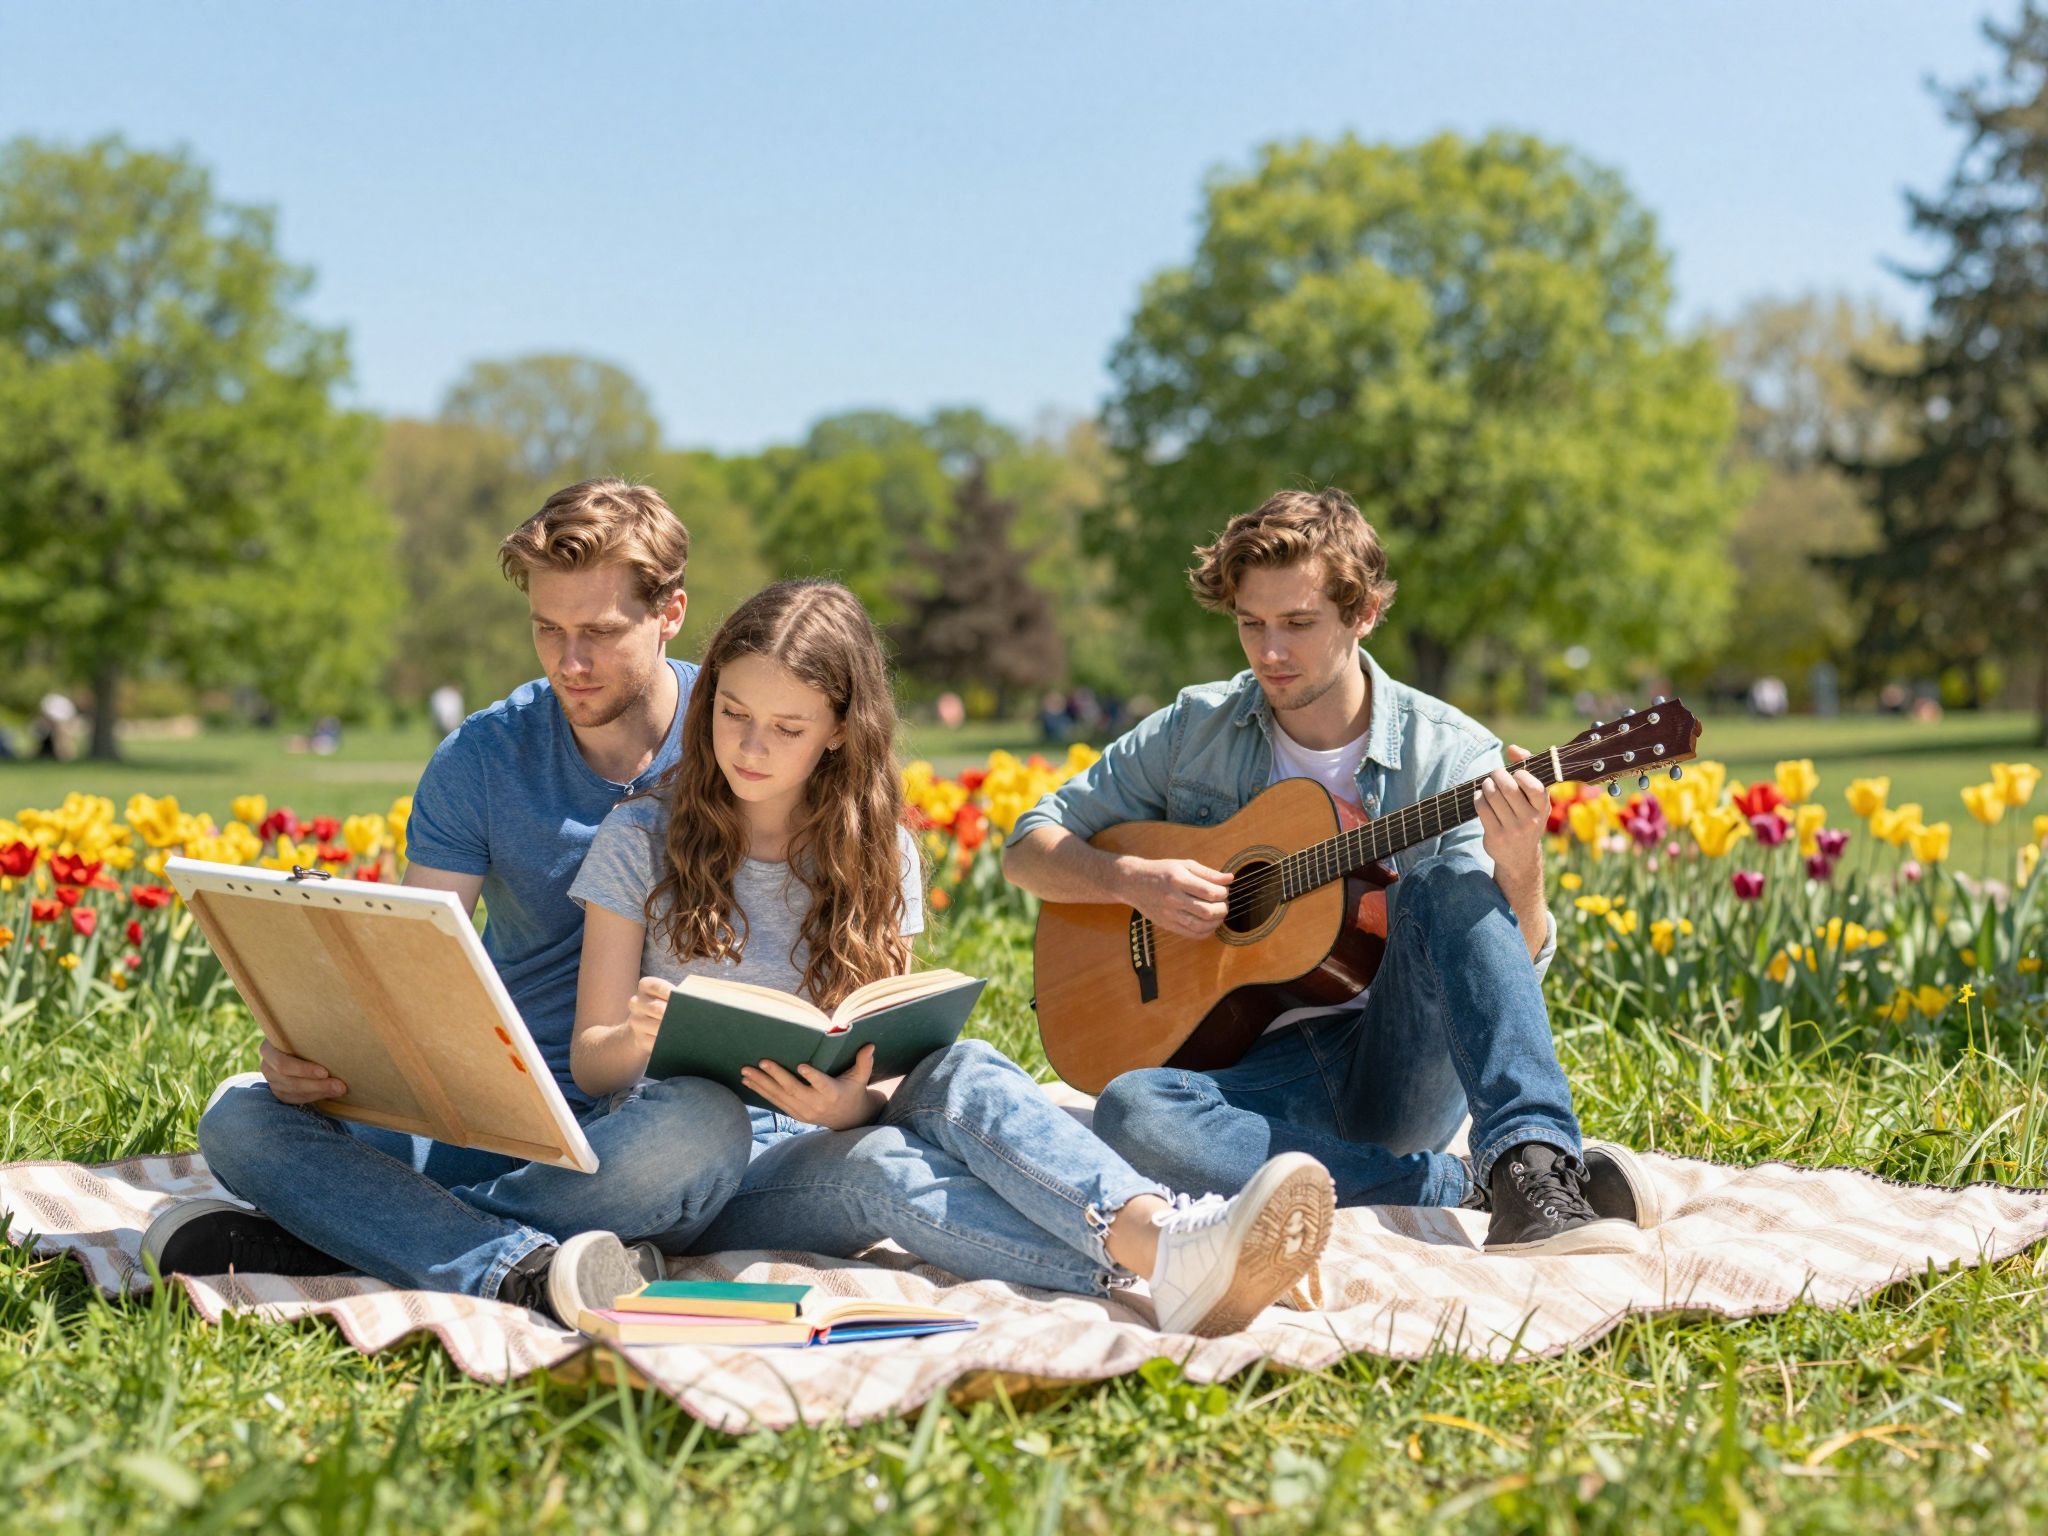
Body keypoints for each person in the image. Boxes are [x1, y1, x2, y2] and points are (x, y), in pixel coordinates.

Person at [572, 579, 1335, 1337]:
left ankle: (1164, 1246)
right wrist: (640, 1037)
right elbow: (591, 1065)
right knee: (724, 1122)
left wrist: (850, 1106)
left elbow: (893, 1071)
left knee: (944, 1087)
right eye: (732, 714)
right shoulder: (640, 837)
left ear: (839, 729)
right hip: (681, 1161)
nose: (750, 746)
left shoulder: (879, 852)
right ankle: (1181, 1255)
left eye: (787, 727)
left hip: (803, 1160)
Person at [145, 480, 750, 1325]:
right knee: (241, 1120)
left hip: (655, 1112)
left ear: (671, 612)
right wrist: (317, 1049)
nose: (569, 662)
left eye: (600, 633)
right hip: (502, 1115)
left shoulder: (740, 738)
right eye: (548, 629)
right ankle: (523, 1264)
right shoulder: (484, 757)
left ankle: (343, 1239)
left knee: (702, 1131)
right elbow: (413, 964)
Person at [1000, 488, 1658, 1256]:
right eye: (1252, 624)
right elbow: (1028, 847)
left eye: (1299, 624)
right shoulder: (1193, 729)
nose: (1269, 652)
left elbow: (1512, 962)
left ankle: (1532, 1166)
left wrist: (1521, 868)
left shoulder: (1450, 754)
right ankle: (1459, 1190)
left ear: (1363, 613)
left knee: (1450, 885)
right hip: (1245, 1084)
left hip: (1394, 1062)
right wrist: (1132, 882)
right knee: (1130, 1115)